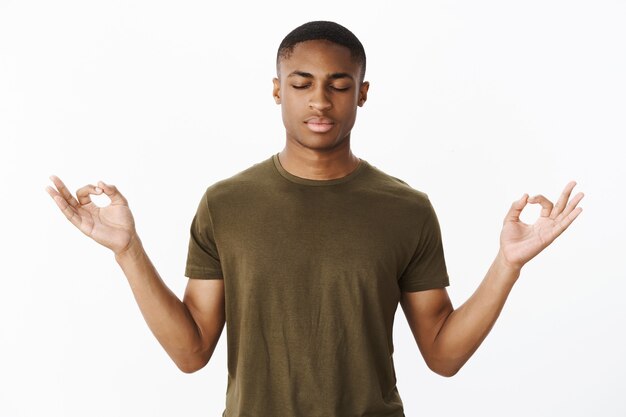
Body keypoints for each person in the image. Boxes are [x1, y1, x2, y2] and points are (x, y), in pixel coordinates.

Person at [46, 20, 584, 417]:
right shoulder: (225, 204)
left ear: (362, 93)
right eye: (301, 83)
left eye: (339, 84)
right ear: (278, 89)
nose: (320, 101)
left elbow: (443, 354)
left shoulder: (406, 209)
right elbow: (191, 352)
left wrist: (508, 265)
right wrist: (128, 251)